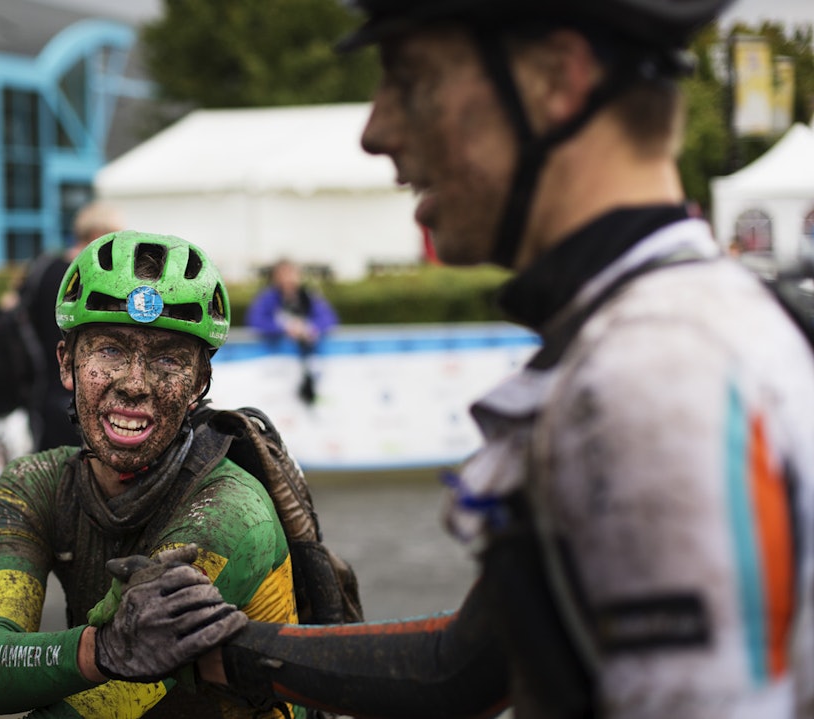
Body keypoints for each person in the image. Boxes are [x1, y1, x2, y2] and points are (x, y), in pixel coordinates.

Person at [95, 0, 814, 716]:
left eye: (413, 80)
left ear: (557, 78)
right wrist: (221, 648)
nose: (376, 131)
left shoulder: (655, 372)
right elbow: (470, 664)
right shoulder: (664, 328)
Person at [0, 230, 304, 719]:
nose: (135, 384)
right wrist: (100, 649)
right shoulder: (33, 486)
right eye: (111, 351)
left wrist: (92, 654)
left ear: (199, 383)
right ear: (67, 364)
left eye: (168, 358)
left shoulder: (231, 514)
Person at [21, 201, 125, 451]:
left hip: (43, 387)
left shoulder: (45, 268)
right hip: (76, 391)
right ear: (98, 234)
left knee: (48, 462)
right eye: (115, 237)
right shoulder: (95, 277)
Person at [246, 259, 339, 404]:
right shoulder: (267, 298)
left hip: (308, 360)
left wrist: (310, 329)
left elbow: (328, 318)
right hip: (277, 362)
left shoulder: (308, 296)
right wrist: (283, 328)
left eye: (291, 274)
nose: (287, 279)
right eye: (283, 274)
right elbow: (255, 320)